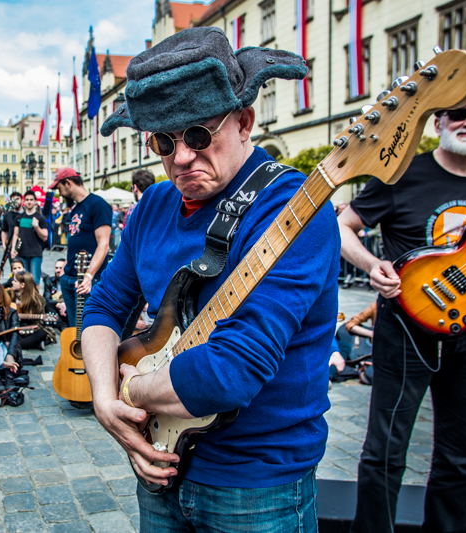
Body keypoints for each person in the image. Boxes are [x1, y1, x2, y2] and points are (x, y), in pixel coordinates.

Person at [80, 27, 337, 530]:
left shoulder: (292, 209)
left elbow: (231, 371)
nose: (179, 158)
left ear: (244, 121)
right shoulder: (153, 205)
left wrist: (128, 393)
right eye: (162, 141)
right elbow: (104, 307)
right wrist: (101, 397)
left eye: (198, 135)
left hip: (257, 484)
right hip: (157, 461)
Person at [339, 89, 466, 533]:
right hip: (405, 331)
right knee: (385, 452)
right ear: (438, 122)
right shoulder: (401, 174)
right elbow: (342, 226)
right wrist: (372, 264)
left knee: (464, 456)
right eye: (459, 112)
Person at [49, 167, 112, 327]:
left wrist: (89, 276)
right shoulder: (76, 208)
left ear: (68, 183)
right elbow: (75, 240)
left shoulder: (98, 204)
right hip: (69, 277)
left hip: (86, 280)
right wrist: (64, 267)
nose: (59, 193)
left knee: (88, 328)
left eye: (59, 188)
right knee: (73, 330)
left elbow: (103, 245)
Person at [120, 169, 157, 340]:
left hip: (136, 271)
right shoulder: (160, 209)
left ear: (135, 187)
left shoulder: (134, 209)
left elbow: (127, 244)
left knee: (126, 324)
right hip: (156, 271)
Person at [10, 191, 48, 285]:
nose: (29, 202)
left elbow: (45, 236)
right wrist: (13, 249)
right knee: (21, 280)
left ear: (35, 202)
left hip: (35, 253)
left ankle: (35, 300)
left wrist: (36, 226)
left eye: (31, 199)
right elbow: (15, 234)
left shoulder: (40, 217)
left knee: (35, 280)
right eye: (27, 200)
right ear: (24, 202)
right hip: (21, 253)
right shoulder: (19, 217)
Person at [11, 271, 49, 351]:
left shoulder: (38, 300)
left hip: (30, 329)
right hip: (14, 327)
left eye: (15, 281)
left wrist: (26, 330)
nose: (12, 282)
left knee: (42, 333)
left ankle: (15, 343)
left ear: (22, 285)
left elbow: (39, 324)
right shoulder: (10, 294)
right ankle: (35, 344)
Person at [42, 258, 68, 330]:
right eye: (56, 268)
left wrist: (65, 305)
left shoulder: (70, 282)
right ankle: (62, 326)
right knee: (47, 304)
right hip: (54, 310)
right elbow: (46, 299)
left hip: (66, 309)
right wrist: (58, 304)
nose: (58, 270)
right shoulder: (49, 281)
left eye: (61, 268)